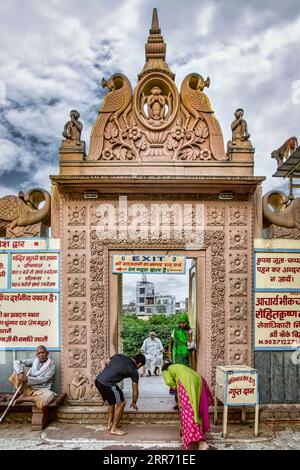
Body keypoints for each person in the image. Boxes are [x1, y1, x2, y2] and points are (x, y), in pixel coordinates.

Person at [162, 362, 213, 450]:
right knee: (195, 411)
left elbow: (169, 381)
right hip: (198, 380)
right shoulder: (180, 367)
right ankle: (187, 434)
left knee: (189, 413)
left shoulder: (166, 370)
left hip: (186, 382)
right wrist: (178, 403)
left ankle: (202, 443)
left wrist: (174, 387)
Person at [95, 353, 145, 436]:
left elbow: (103, 361)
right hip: (108, 384)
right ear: (139, 364)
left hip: (98, 380)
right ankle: (114, 429)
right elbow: (135, 391)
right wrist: (134, 402)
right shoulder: (134, 370)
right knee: (121, 403)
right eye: (140, 366)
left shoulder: (119, 356)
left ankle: (110, 424)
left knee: (112, 401)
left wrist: (104, 373)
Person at [168, 313, 196, 409]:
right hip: (176, 357)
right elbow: (170, 343)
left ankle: (185, 401)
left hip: (186, 358)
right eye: (180, 322)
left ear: (186, 322)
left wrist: (189, 336)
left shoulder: (190, 331)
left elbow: (191, 345)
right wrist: (170, 356)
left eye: (183, 322)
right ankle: (177, 401)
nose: (181, 324)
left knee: (185, 379)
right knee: (176, 378)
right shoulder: (175, 330)